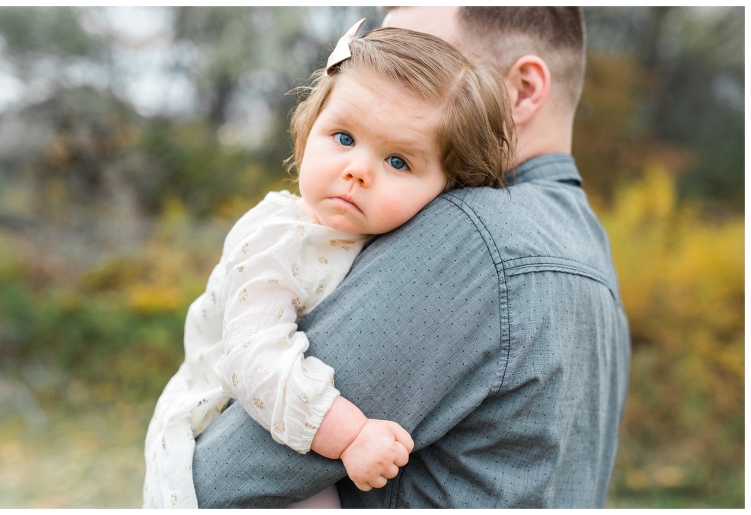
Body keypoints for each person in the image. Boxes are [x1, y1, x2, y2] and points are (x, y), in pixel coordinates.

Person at [192, 6, 630, 509]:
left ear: (524, 90)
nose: (388, 69)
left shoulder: (472, 234)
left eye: (422, 55)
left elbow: (216, 485)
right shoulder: (591, 249)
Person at [143, 21, 516, 509]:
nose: (357, 169)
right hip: (224, 430)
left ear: (447, 190)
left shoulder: (387, 240)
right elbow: (254, 359)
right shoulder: (278, 238)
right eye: (343, 137)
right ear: (306, 131)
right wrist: (351, 436)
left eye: (398, 162)